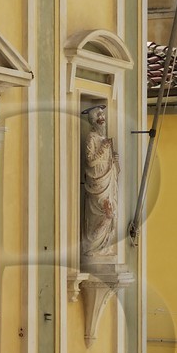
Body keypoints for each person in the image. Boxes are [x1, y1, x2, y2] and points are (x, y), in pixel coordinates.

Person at [79, 104, 119, 260]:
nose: (102, 119)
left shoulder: (103, 139)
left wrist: (114, 159)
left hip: (108, 180)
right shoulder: (91, 138)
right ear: (93, 120)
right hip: (97, 182)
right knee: (102, 213)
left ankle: (103, 248)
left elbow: (112, 165)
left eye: (103, 116)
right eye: (99, 116)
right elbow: (90, 161)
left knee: (110, 213)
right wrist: (103, 149)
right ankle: (91, 247)